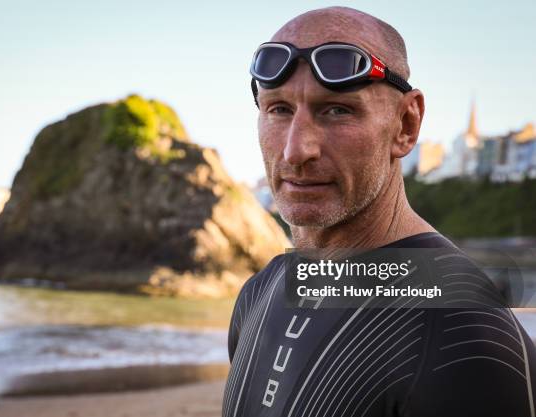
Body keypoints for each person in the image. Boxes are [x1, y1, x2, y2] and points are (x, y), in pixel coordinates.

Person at [222, 7, 536, 417]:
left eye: (337, 110)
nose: (296, 151)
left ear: (406, 124)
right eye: (278, 109)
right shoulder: (262, 292)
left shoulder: (466, 338)